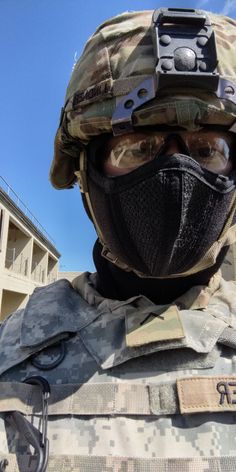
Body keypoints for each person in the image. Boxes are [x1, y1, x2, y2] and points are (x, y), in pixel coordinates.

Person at [1, 6, 236, 472]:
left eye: (208, 149)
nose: (177, 173)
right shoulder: (12, 355)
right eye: (137, 147)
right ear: (86, 176)